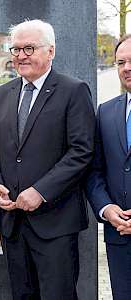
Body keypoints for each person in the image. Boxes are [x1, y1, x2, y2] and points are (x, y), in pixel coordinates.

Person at [0, 19, 95, 300]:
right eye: (16, 49)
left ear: (51, 51)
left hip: (55, 224)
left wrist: (41, 192)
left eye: (29, 48)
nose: (21, 55)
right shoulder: (0, 95)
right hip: (13, 224)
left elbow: (81, 152)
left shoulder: (73, 91)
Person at [86, 34, 131, 300]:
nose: (127, 68)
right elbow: (94, 171)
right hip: (119, 238)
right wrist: (106, 208)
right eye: (120, 62)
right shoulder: (105, 112)